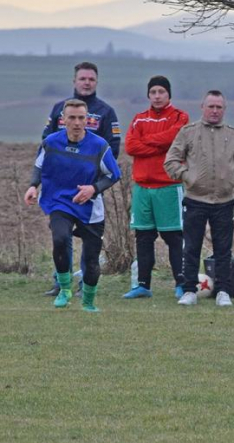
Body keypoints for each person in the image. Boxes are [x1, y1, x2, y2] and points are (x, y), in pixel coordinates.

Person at [24, 99, 121, 311]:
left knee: (91, 260)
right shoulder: (51, 142)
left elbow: (114, 175)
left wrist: (92, 189)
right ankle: (65, 288)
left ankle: (88, 301)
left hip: (89, 207)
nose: (77, 122)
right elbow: (39, 166)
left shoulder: (99, 146)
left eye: (81, 118)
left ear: (87, 120)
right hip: (60, 201)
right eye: (72, 118)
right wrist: (33, 186)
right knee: (60, 239)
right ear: (63, 120)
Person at [164, 90, 234, 307]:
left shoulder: (233, 135)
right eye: (211, 106)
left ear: (224, 109)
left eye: (219, 107)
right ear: (202, 107)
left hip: (224, 201)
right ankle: (189, 290)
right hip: (195, 199)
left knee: (224, 249)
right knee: (191, 247)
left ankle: (223, 291)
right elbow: (171, 161)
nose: (214, 111)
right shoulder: (188, 133)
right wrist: (187, 177)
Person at [41, 61, 121, 297]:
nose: (86, 82)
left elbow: (112, 149)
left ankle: (84, 285)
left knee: (89, 239)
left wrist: (93, 184)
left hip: (90, 187)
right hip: (61, 187)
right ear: (74, 81)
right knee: (61, 235)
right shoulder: (59, 108)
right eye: (82, 78)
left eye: (91, 79)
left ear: (97, 82)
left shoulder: (106, 112)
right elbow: (47, 141)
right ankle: (61, 282)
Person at [123, 75, 190, 299]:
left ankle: (181, 283)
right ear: (148, 95)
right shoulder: (139, 119)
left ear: (169, 94)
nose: (157, 96)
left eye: (161, 92)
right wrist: (160, 146)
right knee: (143, 236)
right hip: (142, 187)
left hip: (168, 187)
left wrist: (148, 142)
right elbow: (131, 146)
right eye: (153, 92)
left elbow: (175, 138)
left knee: (173, 237)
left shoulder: (180, 117)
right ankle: (143, 285)